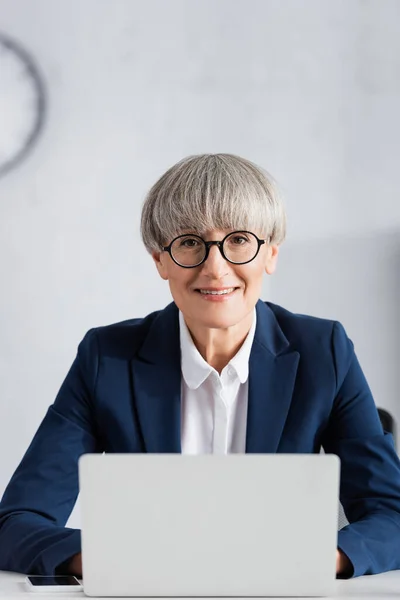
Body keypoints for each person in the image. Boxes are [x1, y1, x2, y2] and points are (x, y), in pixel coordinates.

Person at [1, 154, 400, 579]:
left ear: (271, 254)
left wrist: (318, 559)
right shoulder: (106, 358)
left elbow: (391, 515)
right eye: (190, 242)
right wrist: (111, 557)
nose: (215, 268)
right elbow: (16, 523)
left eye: (239, 240)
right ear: (160, 261)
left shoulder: (325, 352)